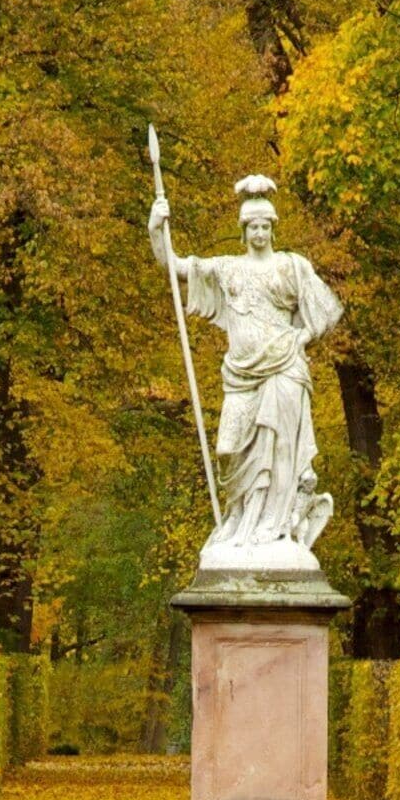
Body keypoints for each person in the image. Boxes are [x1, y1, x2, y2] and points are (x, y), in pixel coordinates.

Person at [149, 174, 343, 574]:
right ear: (243, 230)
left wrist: (298, 340)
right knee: (229, 450)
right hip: (241, 375)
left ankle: (275, 530)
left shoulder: (293, 266)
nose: (258, 232)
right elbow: (175, 266)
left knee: (284, 451)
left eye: (265, 226)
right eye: (252, 226)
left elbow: (327, 310)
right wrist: (156, 227)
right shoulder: (228, 270)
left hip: (285, 371)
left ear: (273, 228)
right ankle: (242, 523)